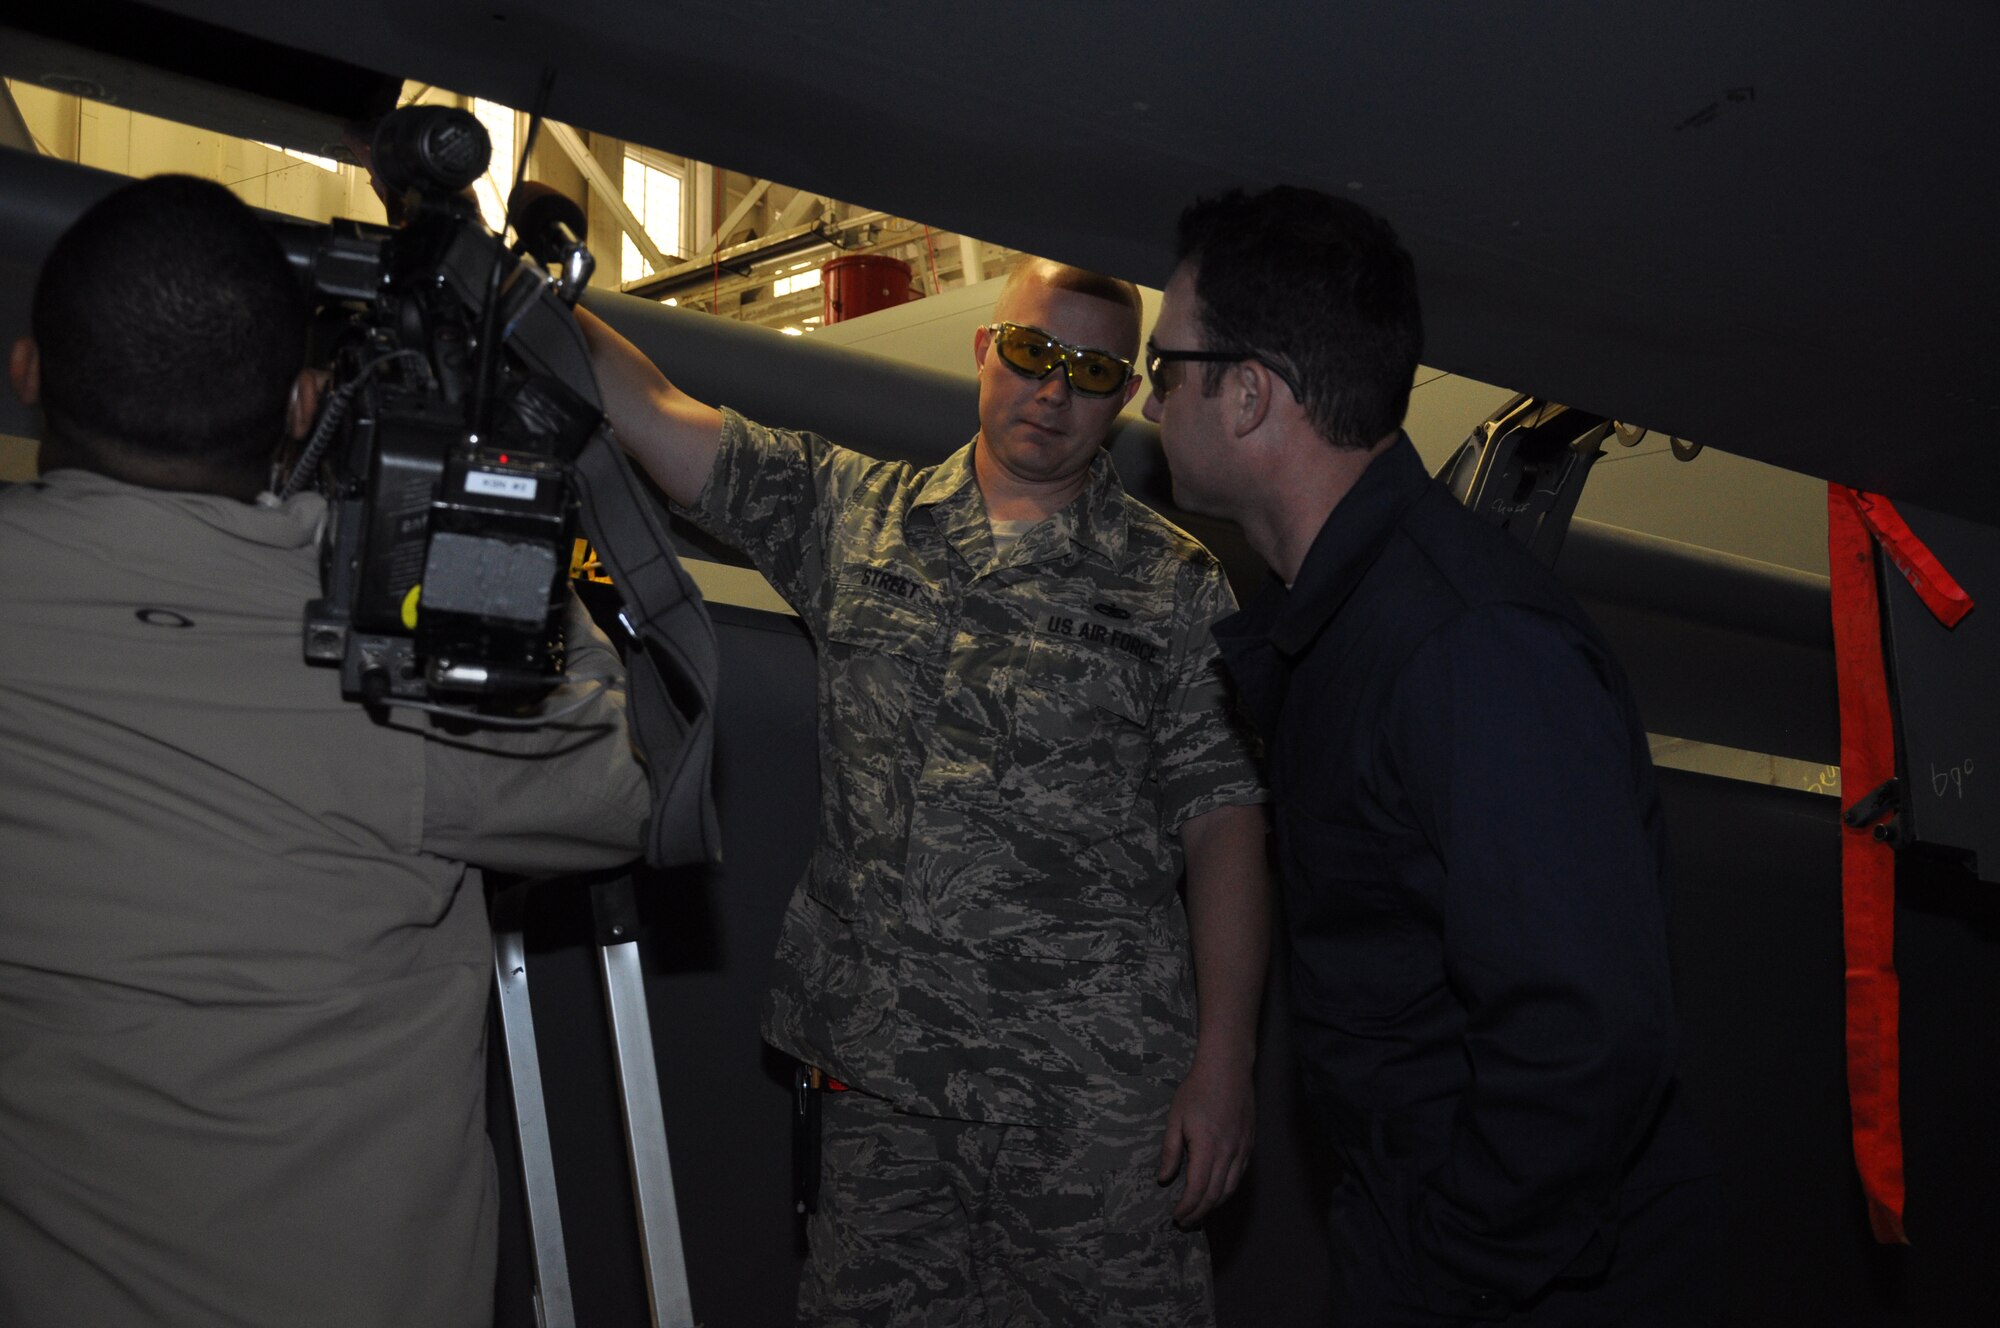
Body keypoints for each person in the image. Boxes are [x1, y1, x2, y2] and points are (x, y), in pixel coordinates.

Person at [0, 175, 650, 1326]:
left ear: (29, 372)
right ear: (303, 403)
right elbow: (621, 785)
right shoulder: (382, 653)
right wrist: (495, 531)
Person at [579, 257, 1269, 1326]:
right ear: (984, 348)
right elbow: (657, 414)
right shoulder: (856, 512)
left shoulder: (1174, 583)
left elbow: (1224, 821)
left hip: (1093, 1099)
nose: (1053, 391)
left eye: (1090, 370)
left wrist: (1224, 1065)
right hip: (888, 1087)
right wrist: (522, 289)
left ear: (1126, 395)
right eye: (1033, 352)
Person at [1143, 185, 1722, 1326]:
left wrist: (1454, 1262)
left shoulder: (1466, 644)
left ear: (1248, 394)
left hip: (1511, 1279)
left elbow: (1580, 1032)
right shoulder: (1349, 625)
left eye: (1165, 368)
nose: (1148, 400)